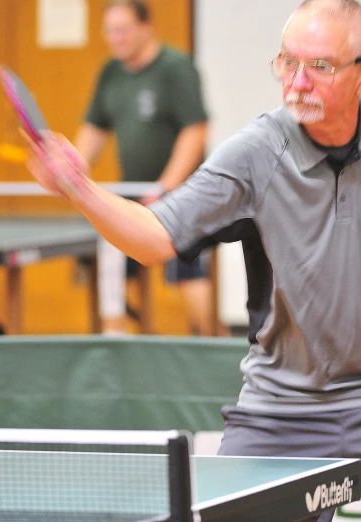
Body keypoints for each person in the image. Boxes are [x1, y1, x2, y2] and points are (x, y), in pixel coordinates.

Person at [25, 0, 361, 520]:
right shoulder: (254, 154)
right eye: (288, 61)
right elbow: (153, 239)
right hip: (283, 412)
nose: (297, 81)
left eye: (321, 67)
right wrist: (79, 189)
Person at [75, 0, 220, 335]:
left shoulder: (176, 68)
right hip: (131, 196)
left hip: (184, 197)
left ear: (147, 27)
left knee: (189, 275)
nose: (116, 38)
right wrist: (72, 172)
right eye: (110, 31)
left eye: (123, 30)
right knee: (111, 262)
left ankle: (212, 346)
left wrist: (165, 188)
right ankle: (117, 347)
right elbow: (93, 131)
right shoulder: (110, 73)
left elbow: (195, 130)